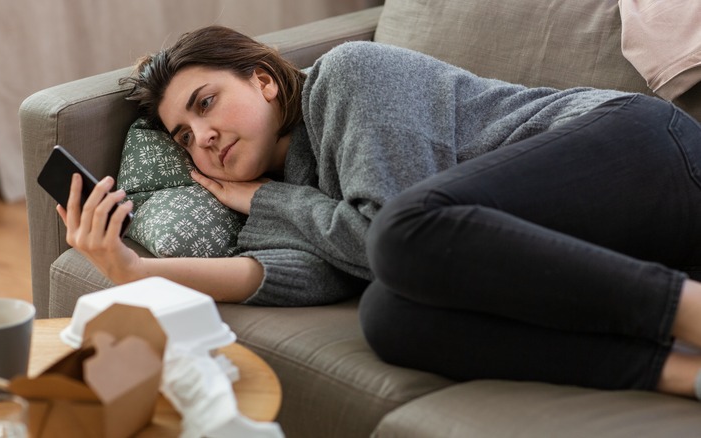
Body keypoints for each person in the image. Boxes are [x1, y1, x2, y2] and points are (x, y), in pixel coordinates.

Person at [56, 25, 701, 399]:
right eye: (183, 137)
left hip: (636, 151)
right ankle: (681, 372)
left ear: (263, 79)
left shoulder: (348, 75)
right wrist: (137, 269)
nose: (203, 138)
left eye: (205, 103)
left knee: (397, 237)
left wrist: (264, 198)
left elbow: (381, 234)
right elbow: (326, 274)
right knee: (388, 316)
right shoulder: (288, 200)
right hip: (592, 233)